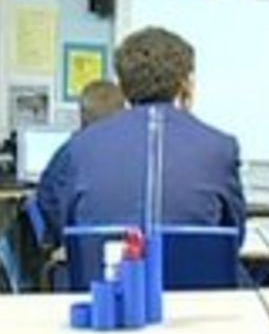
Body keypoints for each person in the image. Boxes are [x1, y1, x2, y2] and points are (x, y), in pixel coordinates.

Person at [58, 27, 246, 241]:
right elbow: (233, 239)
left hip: (103, 273)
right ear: (185, 84)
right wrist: (184, 115)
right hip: (194, 274)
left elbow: (67, 228)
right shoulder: (219, 147)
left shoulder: (82, 146)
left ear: (122, 85)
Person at [35, 80, 126, 245]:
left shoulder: (70, 150)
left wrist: (65, 236)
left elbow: (45, 198)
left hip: (79, 247)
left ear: (82, 116)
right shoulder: (130, 150)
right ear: (123, 113)